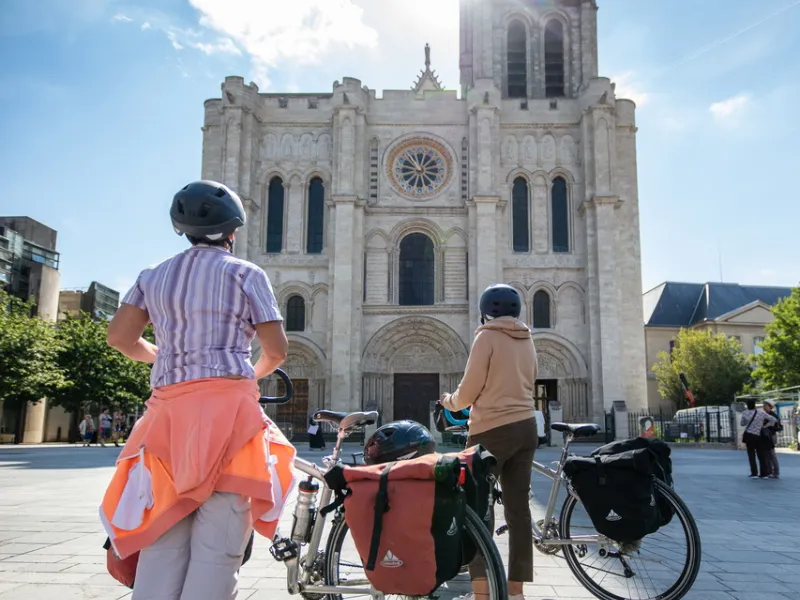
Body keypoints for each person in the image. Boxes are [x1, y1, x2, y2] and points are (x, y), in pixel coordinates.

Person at [99, 180, 294, 600]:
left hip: (169, 417)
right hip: (229, 415)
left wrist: (165, 355)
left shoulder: (153, 276)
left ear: (180, 228)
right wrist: (247, 374)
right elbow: (276, 350)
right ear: (233, 230)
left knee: (162, 540)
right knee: (218, 549)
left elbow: (119, 337)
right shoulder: (246, 273)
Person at [439, 283, 538, 600]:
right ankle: (516, 590)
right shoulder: (527, 337)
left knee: (476, 508)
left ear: (485, 312)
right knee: (518, 511)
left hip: (492, 430)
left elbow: (468, 391)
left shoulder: (486, 337)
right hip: (526, 427)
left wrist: (449, 401)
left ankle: (481, 591)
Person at [740, 398, 776, 479]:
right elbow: (773, 419)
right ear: (754, 405)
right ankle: (764, 473)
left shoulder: (745, 413)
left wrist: (747, 422)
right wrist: (765, 426)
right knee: (761, 455)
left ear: (747, 405)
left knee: (751, 454)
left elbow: (742, 423)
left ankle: (754, 473)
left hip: (749, 435)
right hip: (759, 435)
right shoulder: (760, 413)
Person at [762, 399, 782, 479]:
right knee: (768, 454)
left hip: (770, 436)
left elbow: (774, 426)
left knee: (771, 454)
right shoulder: (768, 414)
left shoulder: (772, 415)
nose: (763, 407)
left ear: (769, 406)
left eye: (765, 405)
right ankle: (770, 472)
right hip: (768, 436)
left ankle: (775, 472)